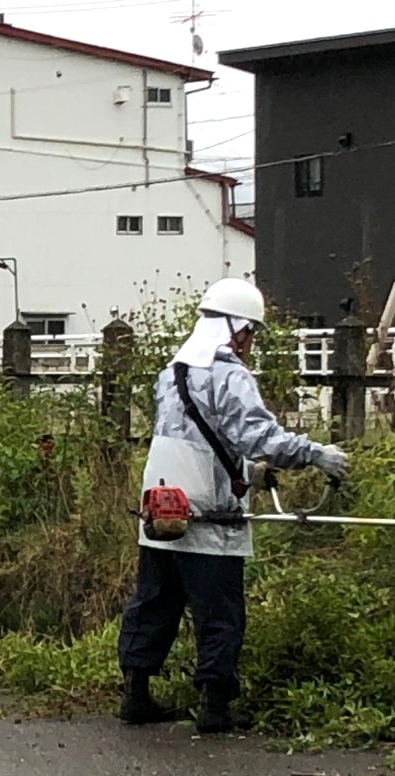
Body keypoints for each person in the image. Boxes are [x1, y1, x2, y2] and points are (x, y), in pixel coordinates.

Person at [117, 278, 349, 735]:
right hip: (209, 512)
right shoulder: (230, 375)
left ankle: (135, 693)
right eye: (251, 333)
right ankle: (215, 705)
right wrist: (313, 452)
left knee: (153, 601)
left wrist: (247, 470)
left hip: (161, 506)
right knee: (218, 611)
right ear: (236, 328)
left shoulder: (172, 372)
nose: (250, 343)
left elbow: (197, 437)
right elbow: (257, 436)